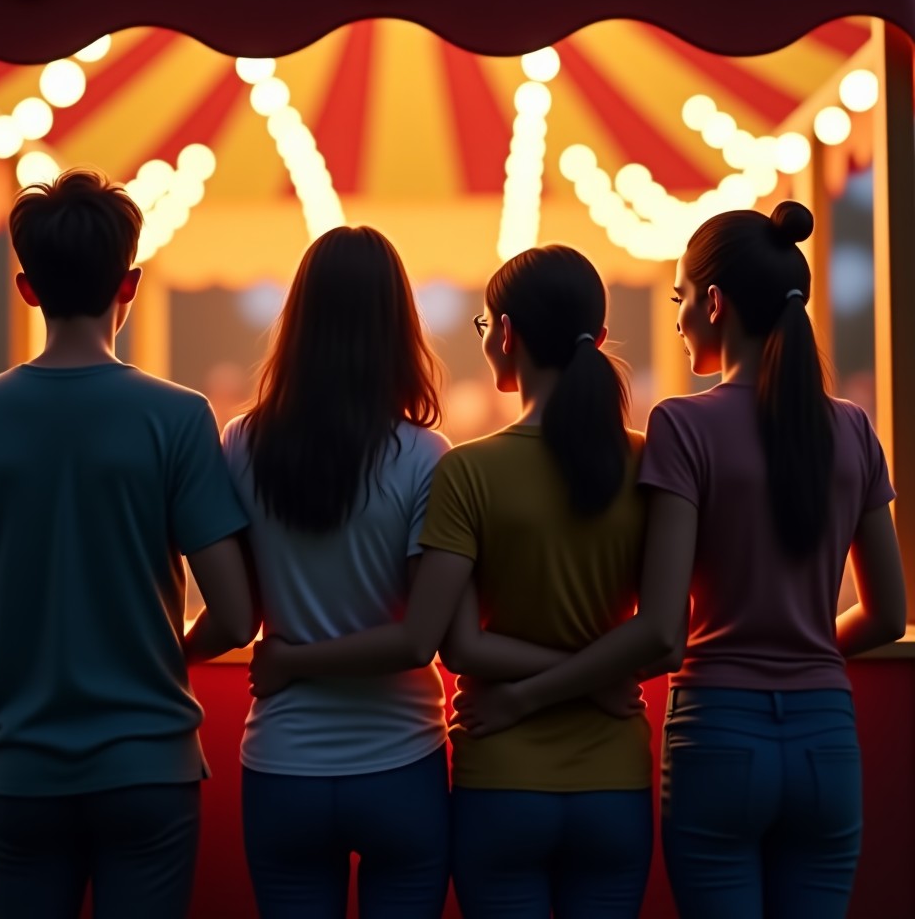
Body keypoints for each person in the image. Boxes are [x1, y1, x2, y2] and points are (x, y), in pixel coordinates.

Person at [457, 201, 907, 919]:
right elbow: (888, 614)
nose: (677, 318)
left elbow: (663, 631)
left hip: (719, 736)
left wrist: (525, 695)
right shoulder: (852, 429)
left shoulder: (684, 425)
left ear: (716, 302)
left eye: (681, 299)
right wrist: (811, 652)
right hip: (827, 736)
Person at [251, 244, 658, 919]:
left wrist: (523, 698)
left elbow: (457, 645)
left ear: (505, 335)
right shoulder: (647, 460)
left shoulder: (468, 470)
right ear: (600, 338)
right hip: (599, 773)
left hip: (486, 774)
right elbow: (664, 633)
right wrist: (599, 674)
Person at [0, 168, 257, 919]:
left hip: (22, 770)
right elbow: (234, 613)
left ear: (27, 289)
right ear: (129, 283)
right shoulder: (177, 418)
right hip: (148, 767)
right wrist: (160, 649)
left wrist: (22, 639)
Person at [222, 225, 452, 919]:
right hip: (401, 762)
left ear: (298, 321)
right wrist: (297, 661)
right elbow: (420, 640)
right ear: (398, 325)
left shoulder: (242, 442)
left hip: (283, 763)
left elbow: (243, 610)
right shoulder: (424, 455)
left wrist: (293, 663)